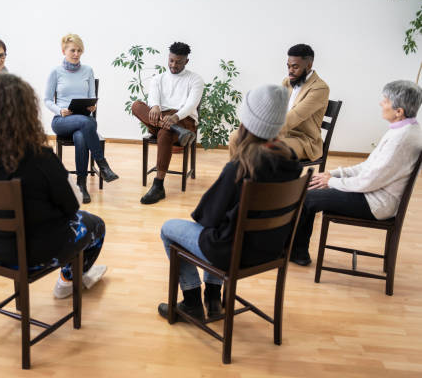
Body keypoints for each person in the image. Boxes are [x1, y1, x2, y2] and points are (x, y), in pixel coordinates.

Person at [0, 73, 108, 299]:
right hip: (32, 254)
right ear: (26, 113)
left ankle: (72, 277)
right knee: (95, 224)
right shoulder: (40, 158)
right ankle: (67, 280)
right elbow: (72, 205)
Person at [157, 84, 301, 322]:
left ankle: (192, 301)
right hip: (269, 250)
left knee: (169, 229)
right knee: (222, 226)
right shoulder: (292, 161)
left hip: (232, 254)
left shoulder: (241, 166)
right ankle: (213, 297)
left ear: (247, 122)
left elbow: (206, 217)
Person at [290, 80, 422, 266]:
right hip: (373, 194)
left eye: (385, 100)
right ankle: (294, 248)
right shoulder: (404, 130)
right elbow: (368, 167)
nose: (380, 103)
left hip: (376, 202)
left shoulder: (400, 140)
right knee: (311, 184)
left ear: (399, 111)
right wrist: (333, 174)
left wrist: (331, 182)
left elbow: (368, 181)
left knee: (308, 197)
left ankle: (296, 252)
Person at [44, 33, 118, 204]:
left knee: (81, 135)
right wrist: (59, 110)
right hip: (62, 121)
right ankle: (103, 164)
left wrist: (93, 106)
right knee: (86, 124)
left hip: (85, 119)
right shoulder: (55, 72)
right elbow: (47, 99)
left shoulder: (88, 70)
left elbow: (92, 96)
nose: (76, 54)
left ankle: (81, 184)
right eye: (72, 50)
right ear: (64, 51)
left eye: (79, 50)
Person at [132, 42, 204, 204]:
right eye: (171, 60)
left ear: (186, 61)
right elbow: (153, 97)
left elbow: (191, 105)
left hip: (185, 119)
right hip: (163, 118)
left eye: (178, 62)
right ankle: (173, 129)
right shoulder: (159, 78)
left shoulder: (195, 79)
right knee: (136, 105)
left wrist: (176, 117)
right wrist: (155, 106)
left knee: (165, 132)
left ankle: (158, 185)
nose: (173, 65)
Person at [280, 43, 330, 161]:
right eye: (288, 66)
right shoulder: (287, 82)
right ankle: (240, 178)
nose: (290, 71)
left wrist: (265, 131)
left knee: (265, 147)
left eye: (295, 67)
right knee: (237, 137)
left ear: (309, 65)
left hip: (304, 141)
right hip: (284, 134)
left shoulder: (320, 88)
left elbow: (296, 115)